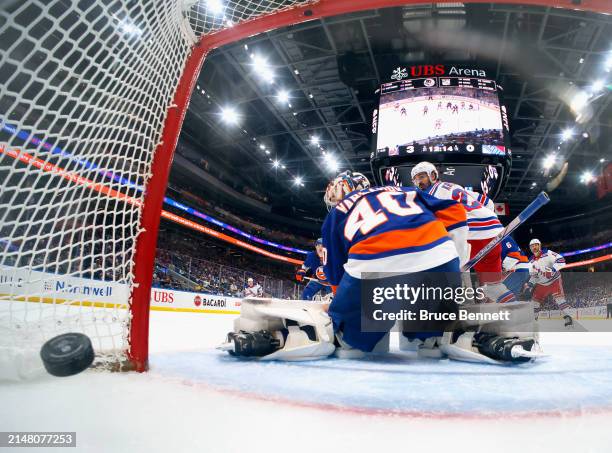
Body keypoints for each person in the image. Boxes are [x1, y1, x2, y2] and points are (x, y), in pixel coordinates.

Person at [321, 170, 468, 356]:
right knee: (432, 326)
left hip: (373, 268)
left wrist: (340, 305)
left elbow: (334, 270)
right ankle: (434, 337)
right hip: (439, 259)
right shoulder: (404, 190)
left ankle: (352, 340)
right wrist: (456, 261)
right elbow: (455, 211)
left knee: (350, 338)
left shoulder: (337, 213)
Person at [411, 161, 503, 285]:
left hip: (470, 236)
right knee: (494, 285)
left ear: (432, 176)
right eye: (415, 180)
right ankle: (504, 297)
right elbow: (489, 203)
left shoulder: (429, 195)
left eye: (421, 177)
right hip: (495, 231)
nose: (418, 182)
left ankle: (461, 296)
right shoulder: (455, 186)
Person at [527, 239, 569, 322]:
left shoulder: (548, 253)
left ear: (540, 245)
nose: (534, 247)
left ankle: (569, 319)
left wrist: (553, 269)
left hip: (554, 281)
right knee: (534, 303)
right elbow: (535, 276)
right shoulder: (530, 261)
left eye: (536, 245)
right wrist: (530, 284)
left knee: (560, 300)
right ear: (530, 248)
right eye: (532, 246)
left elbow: (561, 260)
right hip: (542, 284)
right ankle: (534, 322)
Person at [499, 236, 531, 302]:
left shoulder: (504, 238)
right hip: (522, 269)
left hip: (519, 269)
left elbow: (515, 255)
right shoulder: (504, 238)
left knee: (500, 292)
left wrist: (503, 268)